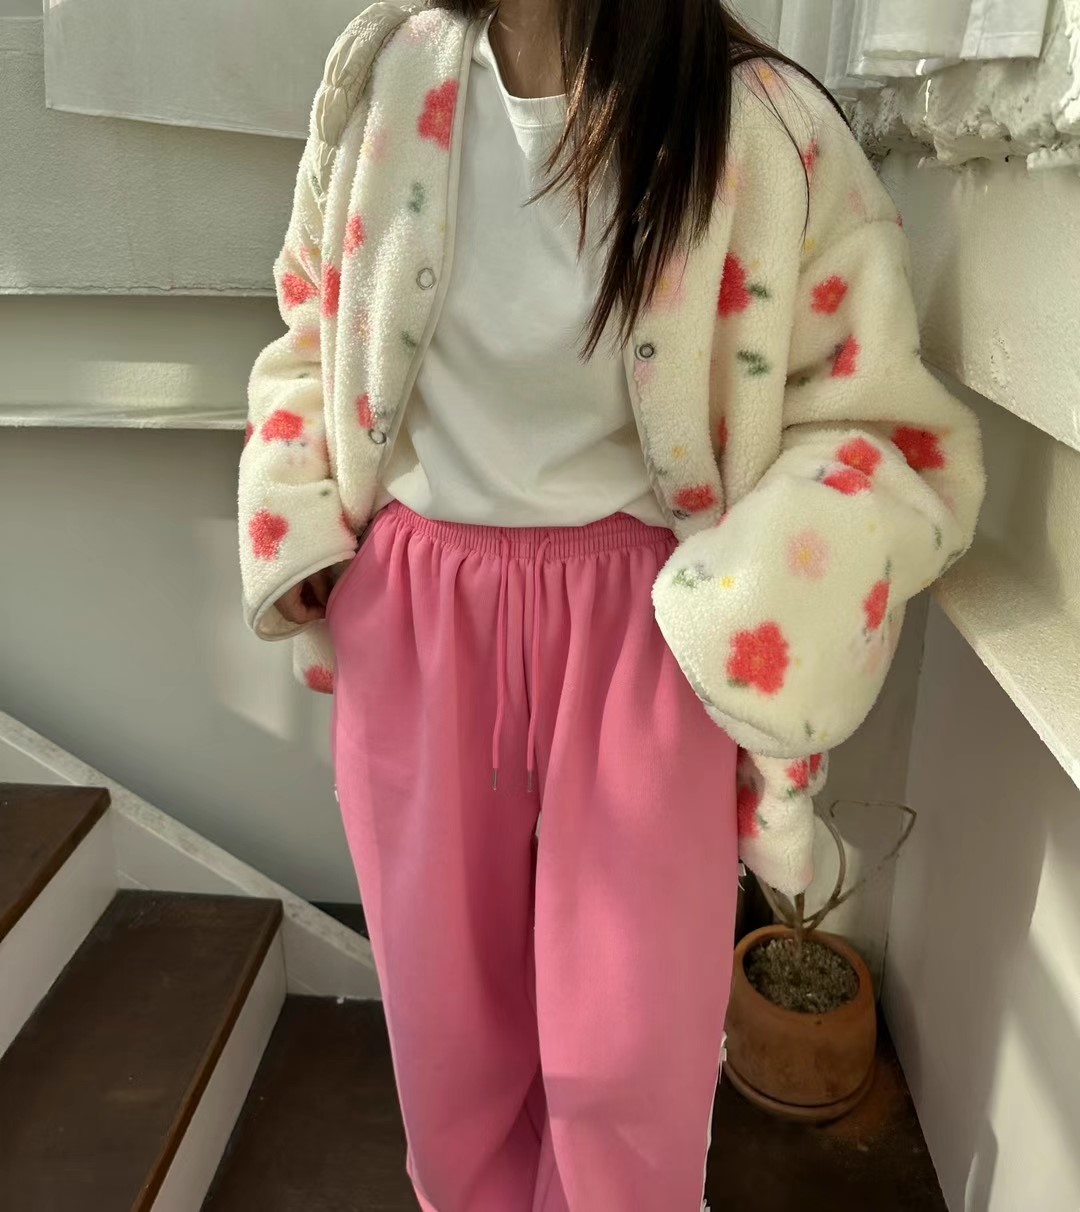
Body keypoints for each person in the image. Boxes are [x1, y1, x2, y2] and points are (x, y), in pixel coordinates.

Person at [237, 1, 984, 1207]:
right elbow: (310, 316)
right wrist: (302, 517)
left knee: (630, 1065)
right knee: (444, 1040)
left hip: (648, 635)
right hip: (417, 623)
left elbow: (881, 427)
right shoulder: (385, 75)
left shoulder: (762, 122)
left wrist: (744, 612)